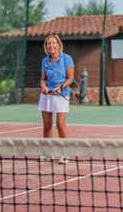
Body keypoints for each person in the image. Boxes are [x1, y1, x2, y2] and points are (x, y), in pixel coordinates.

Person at [38, 34, 74, 164]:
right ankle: (48, 153)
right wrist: (44, 87)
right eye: (48, 43)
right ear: (46, 47)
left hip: (61, 94)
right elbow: (43, 78)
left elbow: (70, 78)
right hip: (47, 95)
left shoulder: (67, 59)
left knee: (60, 124)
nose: (51, 45)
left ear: (58, 45)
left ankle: (66, 154)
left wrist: (60, 87)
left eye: (53, 43)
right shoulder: (45, 61)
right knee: (47, 125)